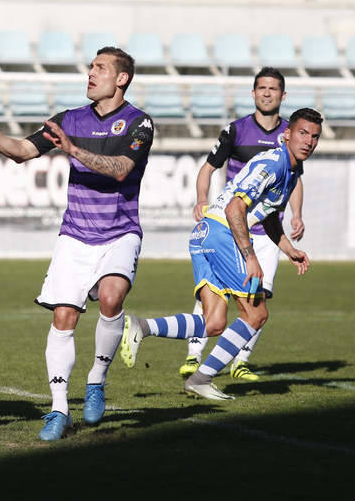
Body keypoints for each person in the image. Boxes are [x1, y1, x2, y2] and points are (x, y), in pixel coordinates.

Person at [0, 47, 154, 441]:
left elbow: (120, 170)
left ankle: (97, 379)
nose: (90, 74)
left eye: (100, 68)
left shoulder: (139, 123)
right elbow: (22, 152)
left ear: (122, 79)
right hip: (75, 235)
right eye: (90, 67)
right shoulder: (70, 119)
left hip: (120, 231)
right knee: (64, 317)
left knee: (113, 298)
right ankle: (59, 410)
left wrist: (72, 150)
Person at [120, 108, 322, 401]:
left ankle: (142, 326)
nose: (309, 141)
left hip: (205, 234)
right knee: (256, 313)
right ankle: (201, 378)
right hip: (221, 233)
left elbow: (266, 216)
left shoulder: (291, 170)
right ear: (287, 135)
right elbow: (234, 208)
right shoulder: (276, 163)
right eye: (303, 133)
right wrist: (250, 256)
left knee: (214, 322)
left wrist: (289, 249)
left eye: (315, 137)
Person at [180, 67, 305, 382]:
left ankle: (240, 361)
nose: (267, 93)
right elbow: (208, 169)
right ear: (253, 93)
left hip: (266, 231)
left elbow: (295, 181)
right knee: (214, 295)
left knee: (259, 298)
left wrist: (296, 214)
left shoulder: (294, 133)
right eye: (261, 87)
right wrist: (200, 198)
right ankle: (195, 358)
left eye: (273, 88)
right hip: (234, 226)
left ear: (282, 95)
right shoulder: (236, 130)